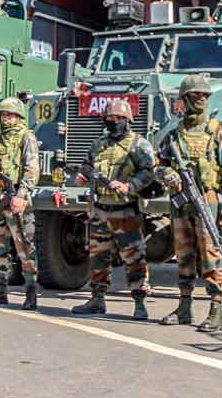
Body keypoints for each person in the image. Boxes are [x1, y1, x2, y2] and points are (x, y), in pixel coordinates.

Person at [154, 74, 222, 332]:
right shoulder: (174, 136)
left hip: (208, 200)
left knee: (211, 254)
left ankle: (216, 309)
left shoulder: (218, 132)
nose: (201, 98)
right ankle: (184, 307)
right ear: (185, 99)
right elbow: (158, 166)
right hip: (181, 203)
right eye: (196, 95)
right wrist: (167, 174)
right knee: (183, 254)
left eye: (205, 95)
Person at [71, 98, 157, 320]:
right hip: (100, 210)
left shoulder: (139, 144)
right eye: (110, 118)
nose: (114, 121)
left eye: (119, 118)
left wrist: (128, 186)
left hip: (125, 211)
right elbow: (87, 166)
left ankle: (139, 302)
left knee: (134, 258)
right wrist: (82, 176)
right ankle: (97, 300)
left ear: (128, 120)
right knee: (98, 257)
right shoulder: (99, 144)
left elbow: (148, 173)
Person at [0, 97, 40, 310]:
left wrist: (21, 195)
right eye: (2, 115)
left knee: (25, 248)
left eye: (9, 115)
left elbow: (31, 170)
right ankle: (0, 289)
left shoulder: (26, 138)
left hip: (17, 202)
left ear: (18, 116)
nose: (5, 119)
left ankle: (31, 292)